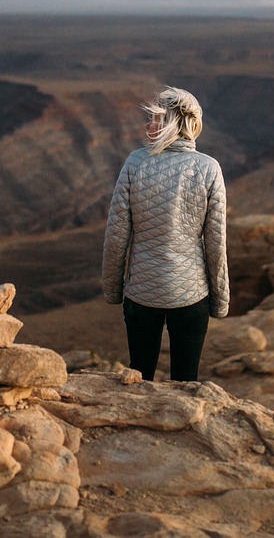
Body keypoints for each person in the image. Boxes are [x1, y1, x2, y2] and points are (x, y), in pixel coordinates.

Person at [101, 86, 228, 381]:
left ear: (175, 123)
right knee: (186, 381)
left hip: (141, 296)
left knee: (140, 377)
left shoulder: (136, 163)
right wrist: (220, 301)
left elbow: (117, 235)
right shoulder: (209, 169)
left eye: (156, 119)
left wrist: (113, 289)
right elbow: (216, 243)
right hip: (191, 296)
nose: (147, 126)